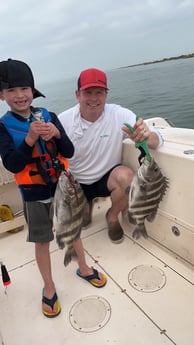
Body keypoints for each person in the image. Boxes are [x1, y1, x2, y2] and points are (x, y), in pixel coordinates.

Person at [0, 60, 107, 318]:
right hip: (35, 196)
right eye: (11, 90)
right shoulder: (2, 127)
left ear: (33, 90)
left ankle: (83, 267)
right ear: (2, 95)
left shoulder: (51, 117)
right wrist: (30, 139)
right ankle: (49, 287)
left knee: (74, 231)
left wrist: (57, 135)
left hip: (64, 190)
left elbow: (69, 151)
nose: (19, 95)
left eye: (24, 88)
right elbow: (12, 163)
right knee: (42, 241)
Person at [58, 68, 164, 243]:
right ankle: (86, 205)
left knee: (130, 179)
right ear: (78, 95)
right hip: (76, 182)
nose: (94, 98)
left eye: (99, 92)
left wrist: (145, 135)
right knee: (83, 221)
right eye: (88, 92)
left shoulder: (118, 114)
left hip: (106, 177)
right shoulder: (63, 120)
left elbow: (157, 139)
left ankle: (112, 216)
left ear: (106, 94)